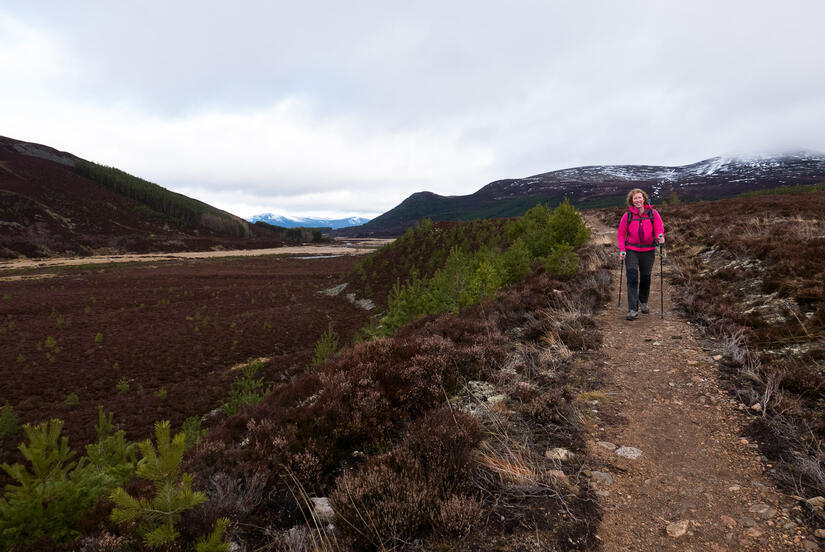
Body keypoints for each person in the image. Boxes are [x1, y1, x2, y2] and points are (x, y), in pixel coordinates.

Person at [617, 188, 665, 320]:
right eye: (635, 198)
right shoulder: (627, 216)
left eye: (639, 198)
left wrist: (660, 237)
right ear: (631, 201)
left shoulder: (653, 213)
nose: (638, 200)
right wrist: (622, 250)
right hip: (631, 250)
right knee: (632, 278)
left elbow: (659, 229)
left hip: (648, 250)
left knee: (646, 277)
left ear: (644, 199)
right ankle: (632, 309)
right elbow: (621, 234)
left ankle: (643, 301)